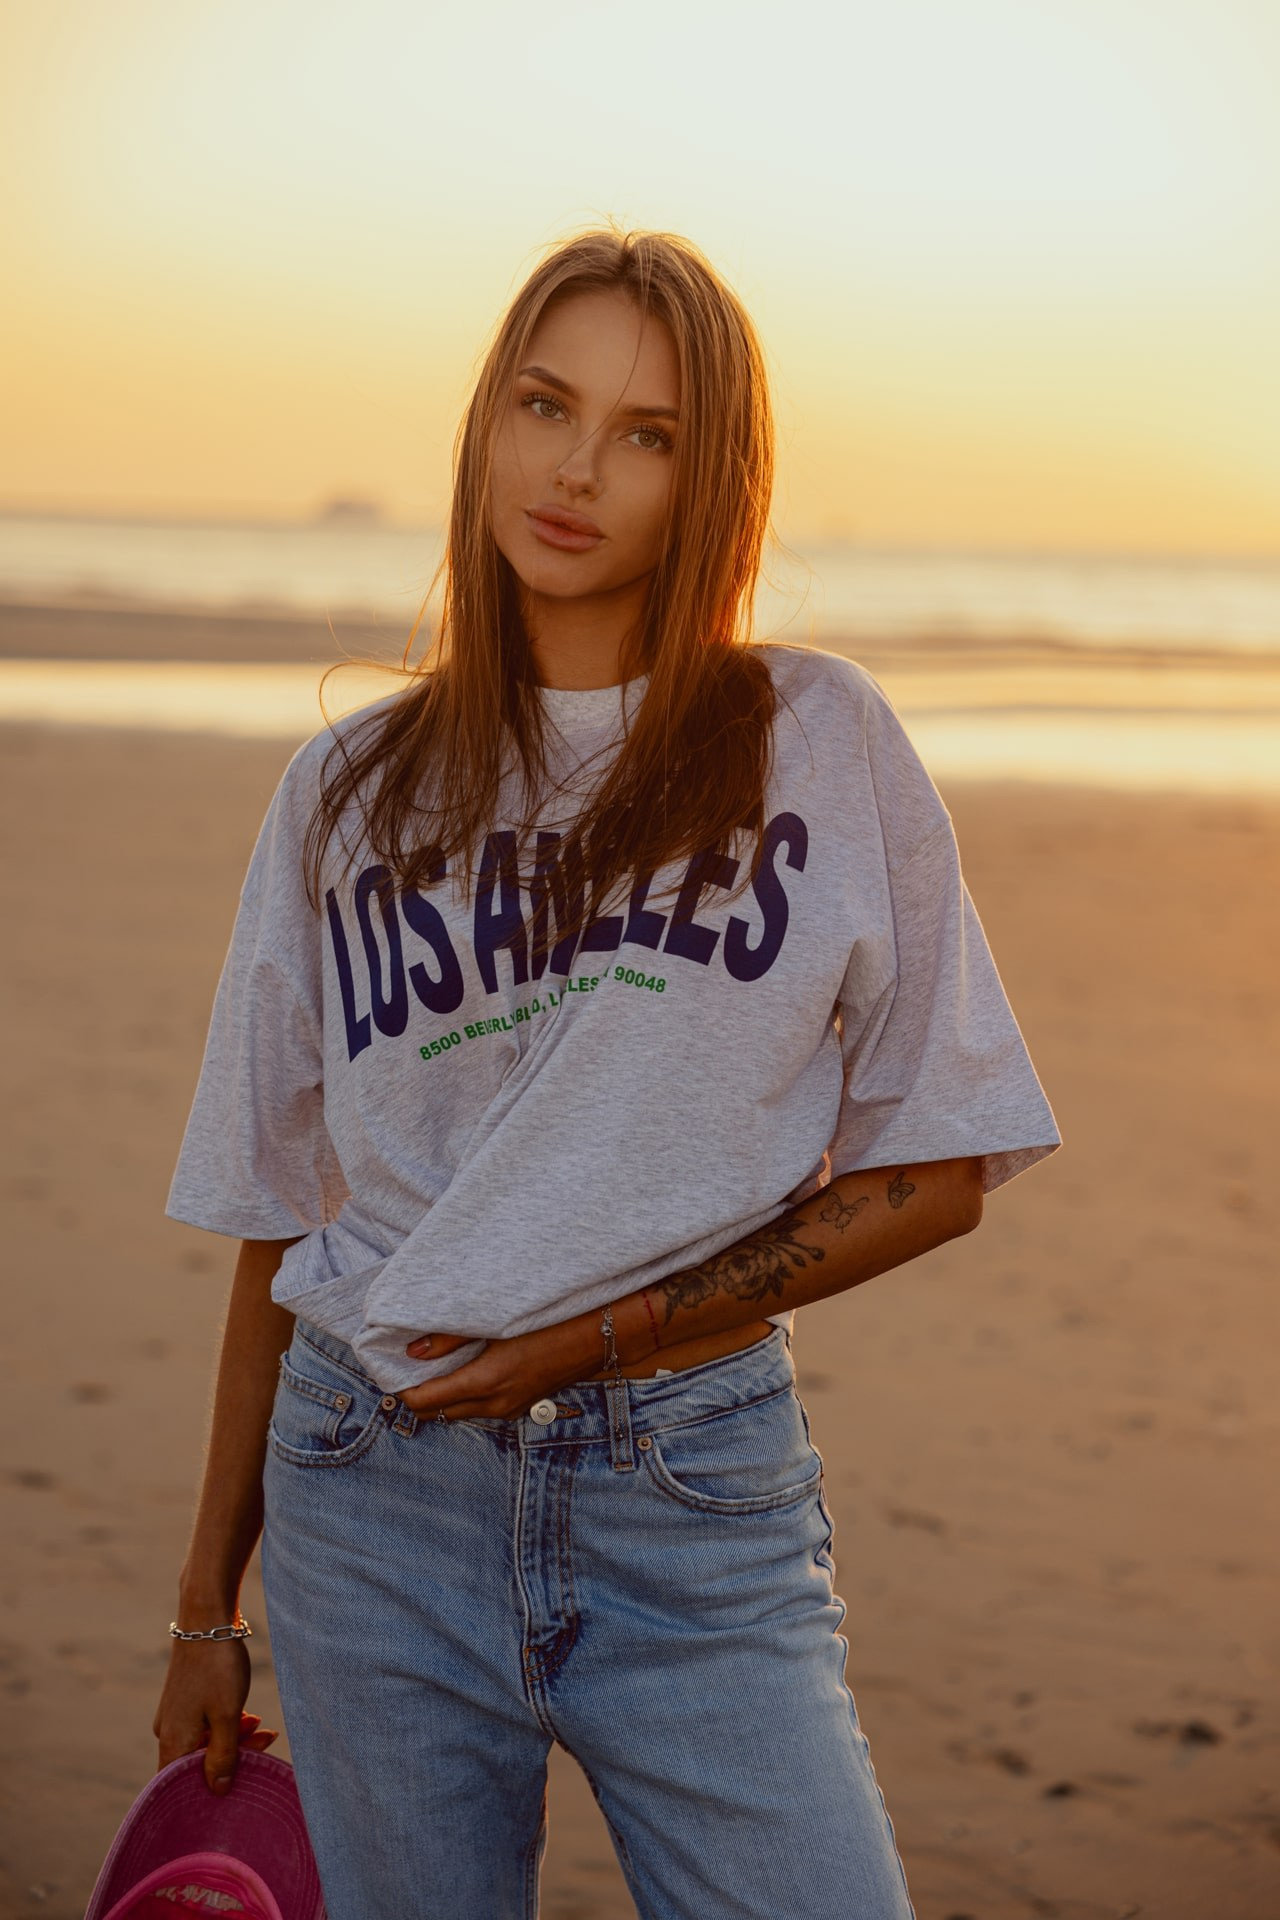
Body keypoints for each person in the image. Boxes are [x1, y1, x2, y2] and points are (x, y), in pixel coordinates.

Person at [153, 223, 1061, 1920]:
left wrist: (589, 1341)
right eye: (544, 404)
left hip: (692, 1493)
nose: (577, 470)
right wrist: (209, 1607)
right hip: (368, 1488)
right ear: (485, 423)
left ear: (707, 479)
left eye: (646, 435)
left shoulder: (819, 738)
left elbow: (940, 1172)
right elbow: (276, 1225)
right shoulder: (342, 791)